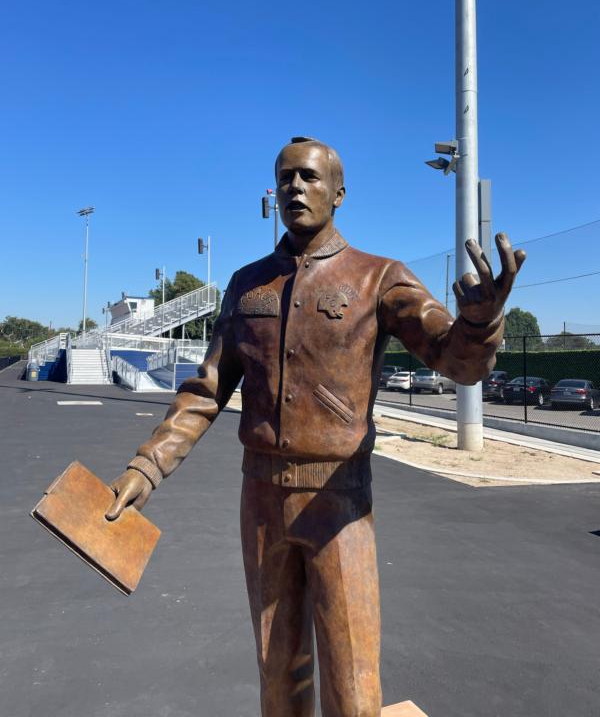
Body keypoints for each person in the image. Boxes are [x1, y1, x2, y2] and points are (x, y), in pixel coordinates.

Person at [106, 136, 525, 717]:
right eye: (284, 179)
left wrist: (480, 322)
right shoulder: (247, 284)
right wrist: (145, 468)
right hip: (261, 502)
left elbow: (456, 361)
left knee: (352, 684)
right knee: (278, 678)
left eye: (308, 177)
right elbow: (205, 391)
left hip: (339, 502)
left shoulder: (379, 278)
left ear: (339, 193)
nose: (294, 189)